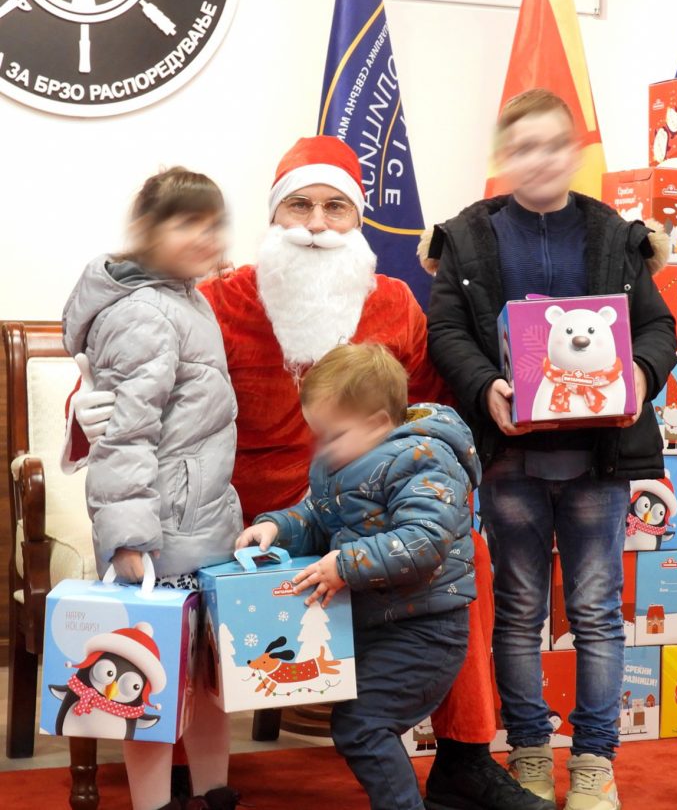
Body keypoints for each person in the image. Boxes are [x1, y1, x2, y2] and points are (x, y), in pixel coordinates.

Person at [64, 136, 551, 810]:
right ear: (273, 216)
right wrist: (82, 408)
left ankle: (464, 758)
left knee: (462, 552)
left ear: (358, 220)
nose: (317, 225)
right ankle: (172, 758)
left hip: (366, 503)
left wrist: (500, 397)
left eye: (335, 207)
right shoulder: (219, 300)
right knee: (187, 577)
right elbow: (132, 378)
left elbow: (428, 410)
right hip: (251, 512)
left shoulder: (395, 304)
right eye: (299, 206)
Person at [427, 89, 677, 810]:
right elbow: (447, 332)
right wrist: (486, 389)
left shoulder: (615, 235)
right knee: (516, 611)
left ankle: (595, 762)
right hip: (511, 461)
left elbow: (657, 328)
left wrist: (639, 375)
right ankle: (531, 753)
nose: (539, 159)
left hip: (600, 460)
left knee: (595, 612)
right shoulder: (469, 237)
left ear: (575, 153)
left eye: (552, 145)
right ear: (504, 157)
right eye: (524, 147)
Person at [62, 167, 244, 810]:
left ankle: (214, 794)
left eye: (213, 223)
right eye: (186, 222)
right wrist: (129, 540)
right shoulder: (143, 312)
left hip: (200, 526)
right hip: (160, 538)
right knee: (145, 683)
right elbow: (125, 437)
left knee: (207, 683)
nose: (205, 236)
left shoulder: (185, 299)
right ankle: (154, 803)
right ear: (146, 229)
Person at [236, 342, 478, 810]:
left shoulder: (423, 459)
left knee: (362, 725)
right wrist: (277, 526)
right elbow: (316, 516)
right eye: (318, 436)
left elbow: (423, 542)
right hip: (376, 623)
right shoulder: (340, 463)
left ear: (378, 424)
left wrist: (345, 564)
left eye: (334, 435)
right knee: (360, 724)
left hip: (427, 630)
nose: (323, 448)